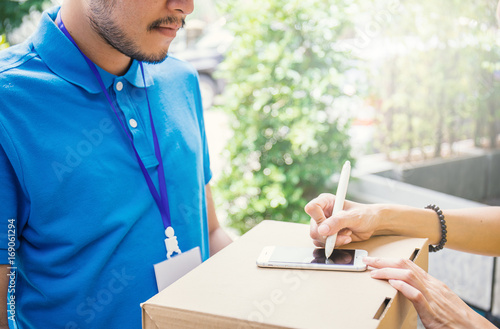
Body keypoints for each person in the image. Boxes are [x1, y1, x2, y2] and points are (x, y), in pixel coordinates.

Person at [0, 0, 232, 328]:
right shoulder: (8, 100)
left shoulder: (181, 79)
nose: (187, 6)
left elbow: (211, 232)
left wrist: (308, 257)